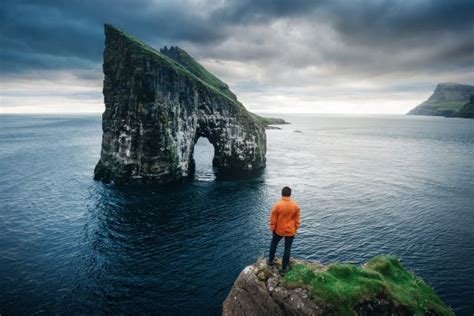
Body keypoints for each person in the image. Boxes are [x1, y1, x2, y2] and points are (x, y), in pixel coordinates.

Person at [267, 186, 301, 274]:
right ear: (290, 194)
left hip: (279, 230)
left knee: (274, 244)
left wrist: (272, 229)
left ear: (282, 193)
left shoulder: (278, 205)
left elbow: (273, 219)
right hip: (290, 231)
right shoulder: (295, 206)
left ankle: (270, 261)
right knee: (287, 249)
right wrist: (295, 229)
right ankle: (284, 268)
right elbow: (297, 221)